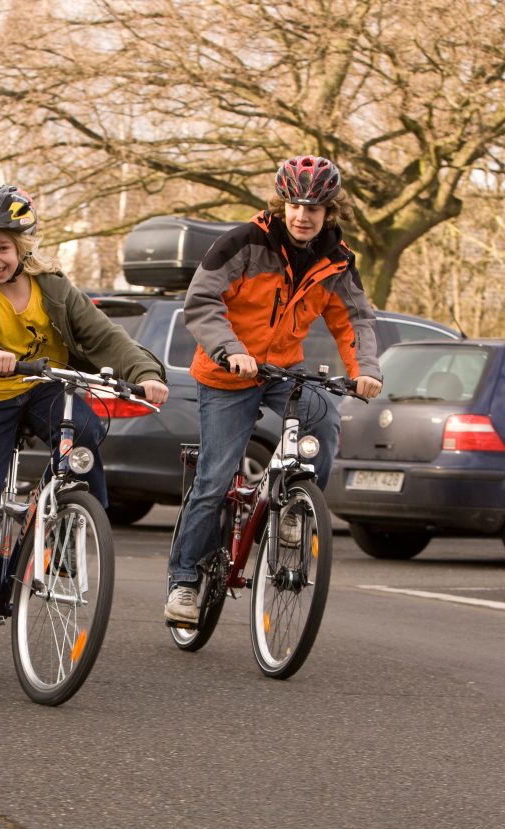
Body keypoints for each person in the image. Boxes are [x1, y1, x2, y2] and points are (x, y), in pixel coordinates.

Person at [0, 183, 170, 663]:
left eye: (2, 248)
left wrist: (145, 372)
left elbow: (106, 337)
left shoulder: (54, 289)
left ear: (23, 247)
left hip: (43, 389)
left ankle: (72, 527)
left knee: (86, 430)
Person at [164, 155, 384, 623]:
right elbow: (201, 301)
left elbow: (354, 319)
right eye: (295, 205)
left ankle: (295, 508)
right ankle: (184, 582)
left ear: (330, 212)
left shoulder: (337, 259)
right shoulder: (243, 243)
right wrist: (230, 349)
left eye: (314, 208)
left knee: (323, 412)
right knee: (215, 479)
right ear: (281, 204)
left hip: (283, 369)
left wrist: (365, 368)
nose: (303, 216)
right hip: (229, 373)